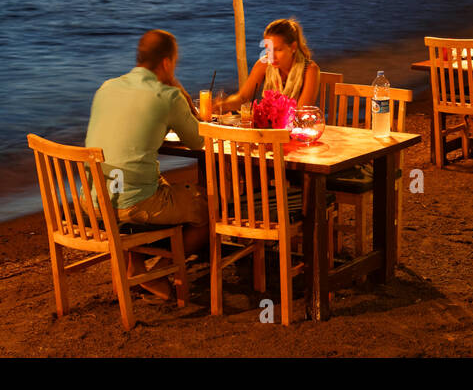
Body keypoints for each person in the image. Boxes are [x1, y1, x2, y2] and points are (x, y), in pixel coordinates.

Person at [84, 29, 208, 254]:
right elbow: (198, 141)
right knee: (205, 207)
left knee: (157, 183)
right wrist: (181, 93)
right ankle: (163, 270)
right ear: (167, 63)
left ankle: (138, 264)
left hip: (93, 200)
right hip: (130, 205)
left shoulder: (106, 88)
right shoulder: (168, 96)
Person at [220, 17, 321, 112]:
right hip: (269, 126)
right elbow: (243, 97)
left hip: (296, 128)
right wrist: (223, 105)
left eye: (278, 49)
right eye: (268, 49)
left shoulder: (310, 70)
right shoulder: (263, 65)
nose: (271, 56)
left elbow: (301, 112)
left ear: (293, 47)